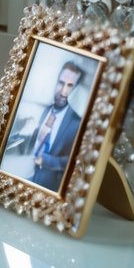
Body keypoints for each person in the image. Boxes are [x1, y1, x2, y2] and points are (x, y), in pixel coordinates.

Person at [29, 60, 85, 191]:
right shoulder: (45, 111)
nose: (64, 91)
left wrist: (46, 161)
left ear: (75, 88)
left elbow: (77, 160)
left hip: (50, 188)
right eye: (61, 83)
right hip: (27, 176)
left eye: (70, 85)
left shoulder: (77, 122)